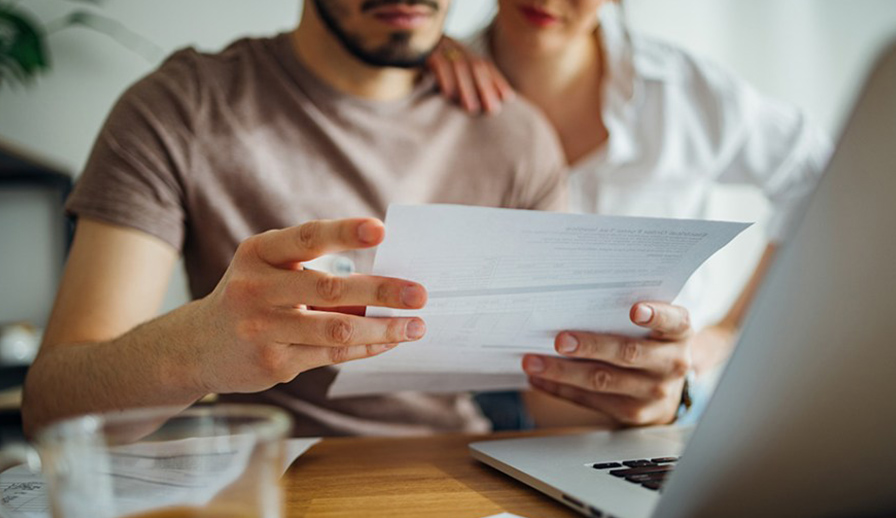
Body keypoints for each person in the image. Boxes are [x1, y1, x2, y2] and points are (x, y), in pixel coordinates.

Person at [22, 0, 576, 437]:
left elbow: (557, 410)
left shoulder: (514, 136)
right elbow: (53, 409)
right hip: (270, 472)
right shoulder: (180, 109)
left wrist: (634, 399)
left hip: (457, 472)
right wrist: (197, 348)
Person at [428, 0, 831, 427]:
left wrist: (729, 332)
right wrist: (417, 52)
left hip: (666, 406)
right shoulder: (425, 77)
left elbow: (818, 178)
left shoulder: (682, 92)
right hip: (477, 415)